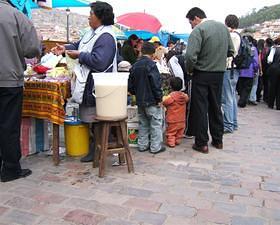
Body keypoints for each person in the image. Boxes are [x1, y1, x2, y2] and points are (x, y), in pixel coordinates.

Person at [52, 1, 117, 162]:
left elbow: (100, 61)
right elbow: (78, 45)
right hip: (88, 82)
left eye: (91, 14)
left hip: (99, 86)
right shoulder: (92, 32)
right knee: (90, 118)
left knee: (97, 119)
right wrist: (65, 48)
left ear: (100, 17)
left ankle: (99, 148)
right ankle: (94, 147)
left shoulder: (106, 37)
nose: (89, 17)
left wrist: (79, 55)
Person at [0, 0, 41, 182]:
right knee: (9, 125)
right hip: (8, 79)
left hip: (8, 78)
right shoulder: (16, 15)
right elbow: (31, 49)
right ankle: (10, 169)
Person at [185, 7, 234, 153]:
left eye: (190, 22)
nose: (191, 26)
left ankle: (202, 143)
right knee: (215, 105)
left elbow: (190, 56)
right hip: (219, 74)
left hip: (202, 73)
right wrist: (217, 58)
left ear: (195, 18)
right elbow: (231, 51)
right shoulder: (223, 28)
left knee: (200, 108)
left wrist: (190, 69)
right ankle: (218, 140)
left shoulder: (198, 30)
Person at [128, 42, 165, 154]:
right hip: (152, 100)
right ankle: (155, 147)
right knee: (155, 124)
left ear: (142, 51)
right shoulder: (151, 65)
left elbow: (130, 85)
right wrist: (159, 99)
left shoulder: (135, 65)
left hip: (140, 100)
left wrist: (136, 94)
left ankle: (142, 145)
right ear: (153, 53)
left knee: (143, 123)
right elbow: (156, 84)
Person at [222, 14, 241, 134]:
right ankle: (233, 122)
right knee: (232, 96)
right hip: (235, 70)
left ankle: (228, 124)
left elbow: (228, 53)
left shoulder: (231, 35)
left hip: (229, 69)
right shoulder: (238, 35)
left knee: (226, 98)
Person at [163, 77, 189, 147]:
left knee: (171, 132)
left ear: (171, 87)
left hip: (172, 120)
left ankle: (171, 143)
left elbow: (165, 102)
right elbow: (187, 99)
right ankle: (177, 140)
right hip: (182, 119)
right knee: (180, 132)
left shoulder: (171, 97)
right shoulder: (184, 96)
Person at [237, 35, 259, 108]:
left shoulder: (241, 47)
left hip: (240, 70)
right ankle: (242, 101)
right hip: (250, 71)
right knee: (247, 88)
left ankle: (241, 99)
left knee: (241, 87)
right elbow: (255, 61)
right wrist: (255, 70)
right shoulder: (253, 49)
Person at [266, 35, 280, 110]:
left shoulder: (274, 49)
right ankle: (279, 105)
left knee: (272, 87)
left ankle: (271, 104)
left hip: (274, 70)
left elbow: (269, 60)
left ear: (276, 43)